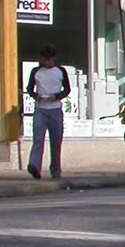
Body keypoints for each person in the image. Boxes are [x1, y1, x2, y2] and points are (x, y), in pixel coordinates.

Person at [26, 44, 70, 179]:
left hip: (55, 109)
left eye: (49, 60)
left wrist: (56, 96)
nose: (47, 63)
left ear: (54, 59)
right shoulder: (36, 71)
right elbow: (29, 88)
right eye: (45, 60)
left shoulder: (60, 71)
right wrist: (35, 96)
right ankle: (34, 165)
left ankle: (55, 170)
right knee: (38, 139)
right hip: (40, 109)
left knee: (55, 141)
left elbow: (67, 89)